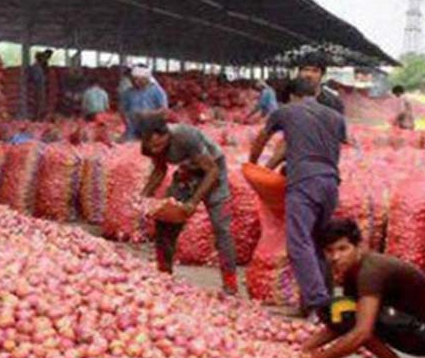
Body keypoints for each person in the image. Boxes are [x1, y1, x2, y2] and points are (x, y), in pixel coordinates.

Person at [298, 219, 425, 358]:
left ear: (359, 246)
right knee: (333, 309)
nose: (335, 257)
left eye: (342, 249)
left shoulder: (370, 271)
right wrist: (306, 347)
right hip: (405, 320)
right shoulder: (352, 270)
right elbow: (344, 320)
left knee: (351, 316)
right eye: (329, 251)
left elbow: (361, 332)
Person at [248, 79, 347, 317]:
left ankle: (318, 304)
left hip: (304, 182)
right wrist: (271, 167)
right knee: (317, 241)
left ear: (291, 95)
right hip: (330, 182)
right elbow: (330, 147)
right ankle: (319, 304)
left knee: (299, 243)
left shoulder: (286, 112)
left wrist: (253, 164)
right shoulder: (336, 117)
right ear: (315, 92)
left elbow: (262, 138)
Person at [137, 112, 239, 295]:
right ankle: (164, 274)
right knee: (164, 220)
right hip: (188, 172)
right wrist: (144, 196)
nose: (155, 150)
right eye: (152, 147)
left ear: (166, 134)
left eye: (158, 145)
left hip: (213, 170)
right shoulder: (151, 145)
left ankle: (230, 283)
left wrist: (193, 202)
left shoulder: (185, 137)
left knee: (221, 227)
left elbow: (212, 171)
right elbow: (160, 169)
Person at [119, 66, 169, 141]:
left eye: (139, 80)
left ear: (146, 79)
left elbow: (164, 111)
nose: (136, 82)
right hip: (132, 130)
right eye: (134, 79)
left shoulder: (157, 91)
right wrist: (127, 120)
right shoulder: (128, 93)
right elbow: (122, 109)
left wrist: (149, 114)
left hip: (152, 129)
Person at [26, 49, 53, 120]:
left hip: (41, 86)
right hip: (38, 86)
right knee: (39, 101)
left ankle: (40, 116)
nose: (45, 59)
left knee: (42, 101)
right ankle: (37, 117)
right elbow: (35, 78)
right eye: (44, 58)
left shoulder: (41, 66)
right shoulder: (36, 67)